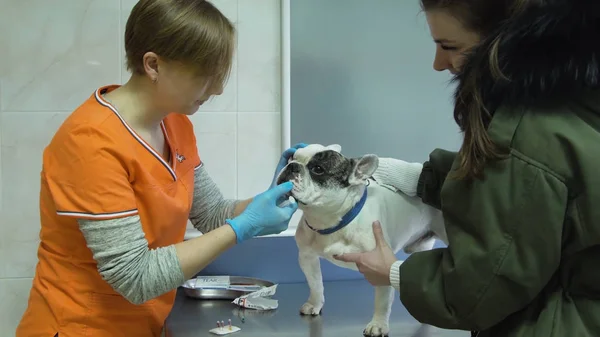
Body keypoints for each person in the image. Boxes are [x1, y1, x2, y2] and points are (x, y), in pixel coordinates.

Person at [16, 1, 304, 336]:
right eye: (205, 75)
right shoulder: (90, 143)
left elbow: (211, 214)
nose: (218, 89)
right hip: (80, 326)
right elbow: (135, 277)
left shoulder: (176, 123)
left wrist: (269, 199)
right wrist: (243, 228)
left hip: (144, 323)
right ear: (153, 65)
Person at [334, 0, 600, 336]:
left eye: (449, 46)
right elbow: (520, 193)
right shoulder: (573, 101)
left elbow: (478, 291)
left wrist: (394, 272)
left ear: (505, 41)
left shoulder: (528, 132)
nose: (438, 63)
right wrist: (412, 177)